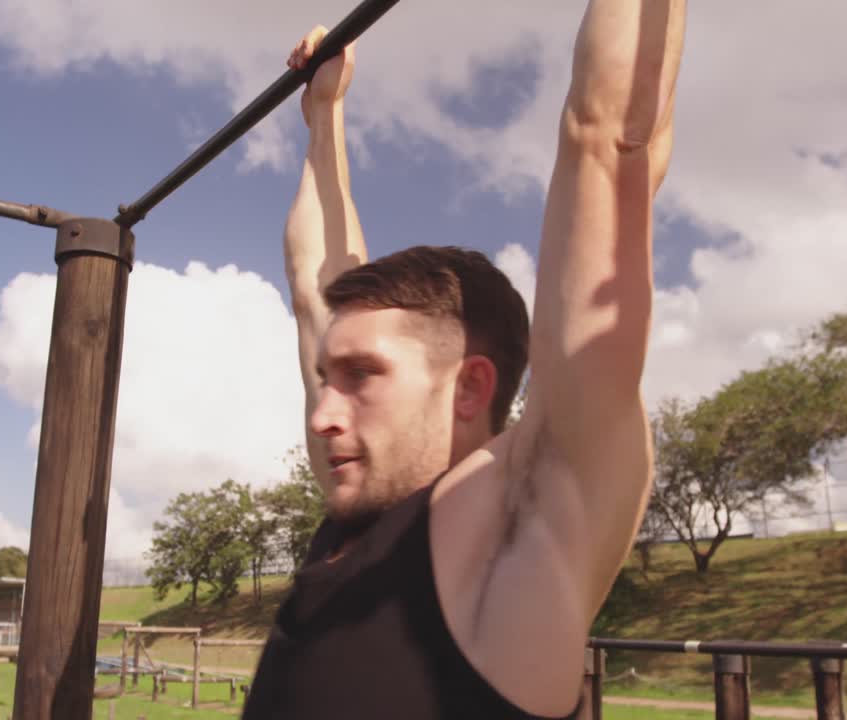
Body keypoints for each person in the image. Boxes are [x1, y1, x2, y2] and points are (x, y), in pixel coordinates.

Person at [242, 2, 686, 718]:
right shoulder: (358, 514)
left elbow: (606, 143)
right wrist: (325, 113)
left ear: (470, 387)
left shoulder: (527, 524)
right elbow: (311, 287)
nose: (322, 414)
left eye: (363, 377)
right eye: (329, 376)